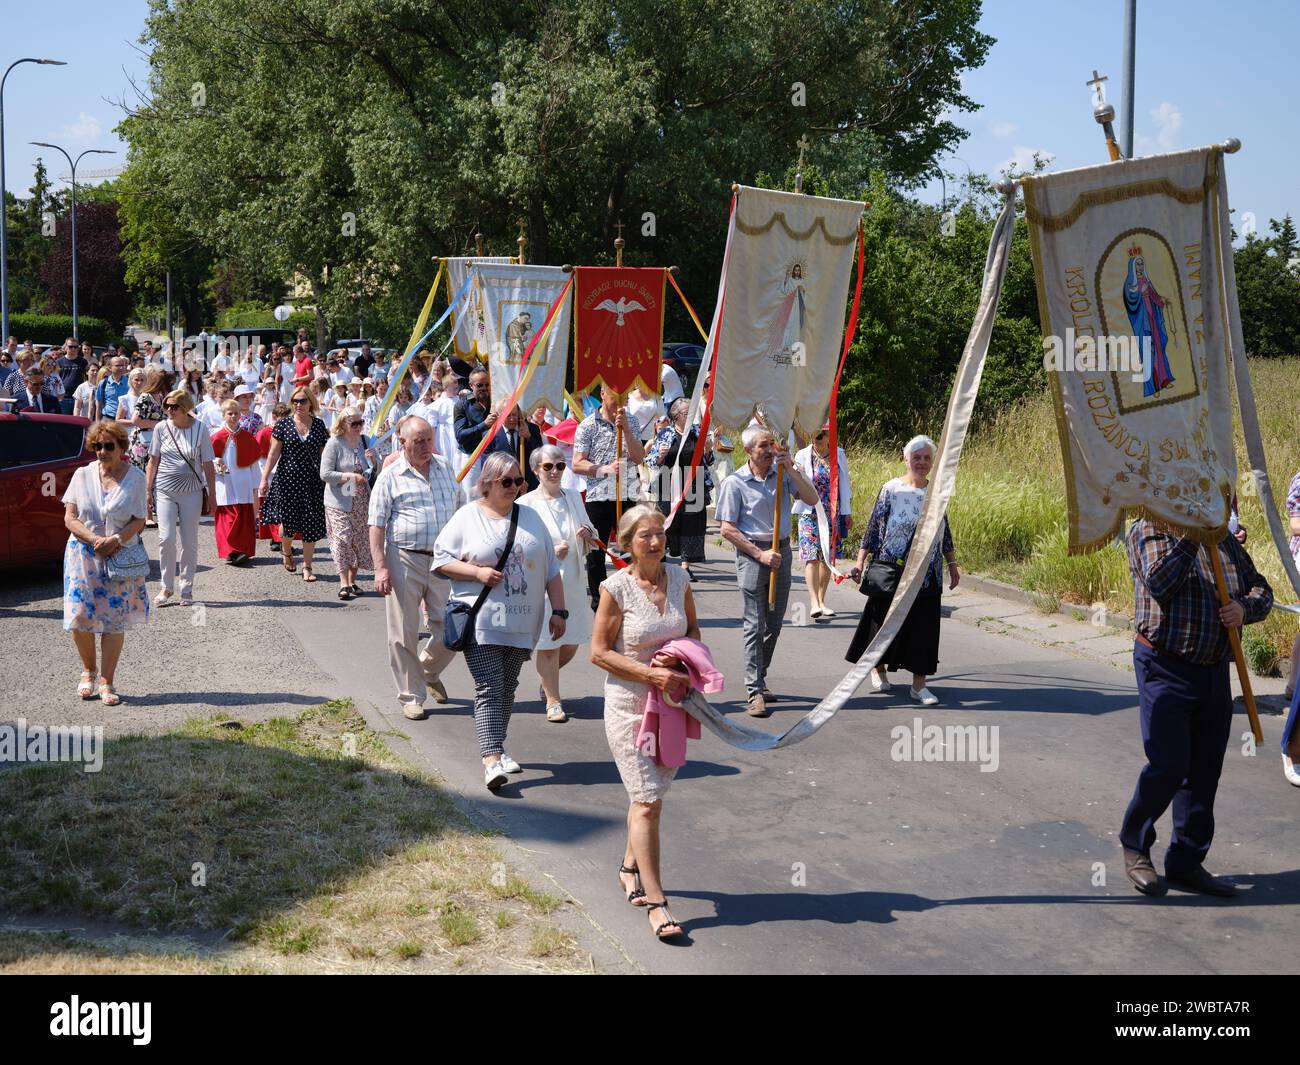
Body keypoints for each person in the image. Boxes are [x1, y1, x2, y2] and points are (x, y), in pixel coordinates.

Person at [1119, 519, 1273, 897]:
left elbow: (1262, 587)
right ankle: (1136, 845)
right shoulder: (1147, 530)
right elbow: (1161, 583)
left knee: (1205, 771)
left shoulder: (1222, 540)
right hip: (1165, 665)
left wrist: (1244, 608)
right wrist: (1191, 538)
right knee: (1169, 765)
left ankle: (1186, 860)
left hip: (1214, 669)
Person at [590, 504, 697, 941]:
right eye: (644, 536)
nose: (655, 542)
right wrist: (651, 673)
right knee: (648, 800)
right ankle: (657, 903)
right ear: (628, 543)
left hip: (670, 705)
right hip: (629, 706)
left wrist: (684, 663)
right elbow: (599, 651)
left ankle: (628, 868)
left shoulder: (682, 580)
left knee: (650, 799)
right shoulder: (616, 588)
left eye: (659, 534)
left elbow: (692, 634)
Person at [433, 452, 566, 791]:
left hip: (523, 623)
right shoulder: (468, 517)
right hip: (481, 619)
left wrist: (560, 611)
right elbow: (441, 559)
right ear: (488, 484)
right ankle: (491, 758)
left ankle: (499, 746)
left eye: (518, 481)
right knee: (490, 685)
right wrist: (476, 572)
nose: (514, 487)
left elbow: (551, 570)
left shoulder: (532, 518)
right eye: (506, 481)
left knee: (507, 688)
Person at [846, 435, 957, 705]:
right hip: (892, 569)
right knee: (881, 620)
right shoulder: (892, 489)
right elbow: (874, 527)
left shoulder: (937, 491)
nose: (921, 462)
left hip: (927, 572)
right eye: (916, 457)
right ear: (905, 459)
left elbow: (944, 528)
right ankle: (878, 668)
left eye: (926, 458)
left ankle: (919, 686)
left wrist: (952, 563)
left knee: (925, 628)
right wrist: (860, 561)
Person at [715, 425, 817, 717]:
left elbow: (812, 499)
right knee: (754, 625)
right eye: (763, 445)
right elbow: (726, 528)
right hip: (752, 554)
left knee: (774, 623)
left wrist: (791, 468)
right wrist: (759, 553)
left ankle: (760, 675)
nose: (770, 450)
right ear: (748, 450)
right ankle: (754, 691)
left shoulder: (782, 475)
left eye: (772, 444)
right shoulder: (735, 483)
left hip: (781, 552)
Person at [368, 415, 466, 718]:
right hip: (404, 558)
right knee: (403, 631)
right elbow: (376, 524)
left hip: (443, 560)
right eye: (418, 441)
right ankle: (411, 696)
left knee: (454, 629)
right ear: (403, 442)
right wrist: (380, 567)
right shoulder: (390, 476)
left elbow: (462, 511)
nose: (425, 446)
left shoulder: (446, 468)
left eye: (429, 440)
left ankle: (427, 669)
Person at [62, 420, 150, 706]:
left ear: (122, 447)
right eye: (97, 446)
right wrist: (92, 538)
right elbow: (70, 517)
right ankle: (88, 670)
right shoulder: (82, 474)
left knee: (113, 621)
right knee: (78, 617)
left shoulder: (135, 477)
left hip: (118, 555)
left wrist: (116, 540)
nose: (101, 451)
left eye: (108, 446)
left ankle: (107, 681)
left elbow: (139, 519)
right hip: (83, 555)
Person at [519, 444, 596, 722]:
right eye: (548, 466)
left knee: (571, 643)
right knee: (549, 642)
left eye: (560, 465)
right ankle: (553, 700)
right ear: (536, 470)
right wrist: (550, 551)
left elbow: (593, 531)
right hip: (544, 583)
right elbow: (519, 546)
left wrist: (588, 532)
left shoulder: (574, 497)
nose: (555, 471)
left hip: (573, 581)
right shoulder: (525, 503)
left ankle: (547, 680)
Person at [573, 385, 647, 610]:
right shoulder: (588, 425)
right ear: (603, 395)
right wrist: (604, 469)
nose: (619, 402)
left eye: (623, 397)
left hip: (626, 494)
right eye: (615, 397)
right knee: (596, 552)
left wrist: (627, 431)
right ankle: (599, 602)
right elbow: (577, 463)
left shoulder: (631, 421)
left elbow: (639, 457)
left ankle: (635, 596)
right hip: (598, 497)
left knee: (633, 548)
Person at [147, 389, 217, 607]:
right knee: (165, 538)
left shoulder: (200, 429)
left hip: (192, 492)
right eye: (166, 406)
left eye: (174, 406)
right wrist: (147, 490)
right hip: (165, 490)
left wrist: (213, 496)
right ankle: (166, 587)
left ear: (185, 407)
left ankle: (186, 588)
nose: (169, 410)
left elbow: (207, 464)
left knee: (189, 541)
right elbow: (153, 461)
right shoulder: (161, 427)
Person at [258, 385, 329, 580]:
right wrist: (264, 479)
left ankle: (307, 566)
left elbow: (325, 455)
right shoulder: (283, 425)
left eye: (302, 401)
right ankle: (287, 551)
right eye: (295, 401)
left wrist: (331, 477)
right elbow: (273, 454)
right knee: (287, 526)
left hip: (312, 482)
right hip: (287, 481)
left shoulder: (319, 425)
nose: (298, 404)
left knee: (311, 524)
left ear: (310, 403)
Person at [645, 397, 712, 580]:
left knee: (691, 525)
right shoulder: (666, 433)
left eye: (691, 412)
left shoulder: (699, 432)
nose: (690, 415)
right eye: (685, 412)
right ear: (675, 416)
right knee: (666, 524)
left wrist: (707, 450)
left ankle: (685, 565)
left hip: (694, 484)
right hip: (668, 484)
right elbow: (651, 461)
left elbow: (708, 461)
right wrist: (660, 455)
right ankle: (660, 563)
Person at [794, 424, 853, 620]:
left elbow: (845, 484)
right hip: (809, 511)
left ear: (829, 436)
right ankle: (813, 602)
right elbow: (795, 482)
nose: (816, 438)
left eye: (820, 435)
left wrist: (847, 513)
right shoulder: (802, 455)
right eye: (814, 434)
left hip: (832, 512)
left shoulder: (839, 454)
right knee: (811, 556)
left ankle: (822, 599)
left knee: (827, 557)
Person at [321, 405, 376, 600]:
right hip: (338, 500)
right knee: (342, 538)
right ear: (343, 424)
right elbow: (325, 474)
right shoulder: (334, 443)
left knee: (358, 540)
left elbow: (373, 471)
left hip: (362, 499)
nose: (358, 426)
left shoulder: (364, 440)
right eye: (354, 423)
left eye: (360, 423)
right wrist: (349, 476)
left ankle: (353, 580)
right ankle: (343, 582)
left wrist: (373, 463)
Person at [211, 399, 262, 565]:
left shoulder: (247, 437)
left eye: (236, 413)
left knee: (243, 517)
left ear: (240, 415)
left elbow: (254, 462)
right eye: (230, 413)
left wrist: (257, 484)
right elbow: (208, 459)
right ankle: (231, 551)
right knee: (228, 518)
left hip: (244, 482)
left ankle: (241, 551)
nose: (233, 416)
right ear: (224, 415)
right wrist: (215, 462)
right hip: (224, 481)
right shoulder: (217, 436)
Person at [485, 401, 544, 490]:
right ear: (499, 415)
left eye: (514, 415)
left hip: (529, 486)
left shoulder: (532, 429)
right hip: (503, 487)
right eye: (508, 416)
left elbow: (540, 456)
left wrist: (529, 437)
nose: (512, 419)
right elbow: (488, 467)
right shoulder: (490, 435)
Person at [453, 368, 495, 479]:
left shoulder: (496, 402)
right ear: (471, 385)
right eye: (479, 385)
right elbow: (460, 436)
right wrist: (484, 425)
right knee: (471, 496)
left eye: (487, 384)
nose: (484, 388)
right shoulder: (462, 405)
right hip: (471, 457)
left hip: (494, 457)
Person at [93, 355, 131, 421]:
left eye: (123, 365)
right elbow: (98, 406)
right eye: (117, 366)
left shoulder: (130, 383)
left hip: (124, 420)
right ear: (110, 367)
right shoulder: (103, 383)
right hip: (107, 419)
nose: (121, 368)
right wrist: (97, 422)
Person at [55, 337, 88, 414]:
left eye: (75, 347)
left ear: (78, 348)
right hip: (64, 398)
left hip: (79, 398)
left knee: (78, 423)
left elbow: (87, 378)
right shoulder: (58, 362)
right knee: (64, 423)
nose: (73, 349)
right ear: (66, 347)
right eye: (70, 346)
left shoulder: (83, 362)